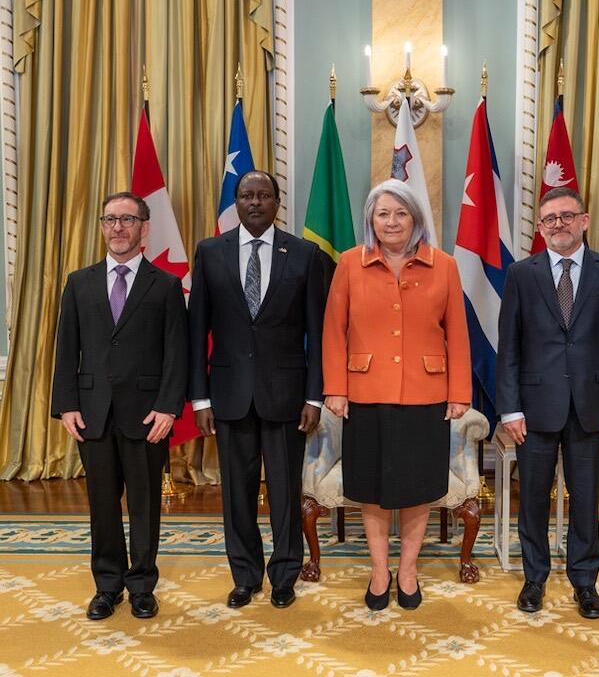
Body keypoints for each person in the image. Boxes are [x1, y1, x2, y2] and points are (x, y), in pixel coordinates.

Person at [322, 179, 471, 611]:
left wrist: (459, 392)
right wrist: (335, 387)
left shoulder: (443, 265)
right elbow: (334, 330)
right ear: (371, 218)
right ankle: (379, 570)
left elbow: (458, 335)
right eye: (383, 213)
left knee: (417, 488)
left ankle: (407, 570)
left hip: (426, 396)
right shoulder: (350, 263)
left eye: (400, 213)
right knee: (370, 488)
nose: (391, 221)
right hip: (365, 394)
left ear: (416, 218)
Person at [188, 170, 325, 610]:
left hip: (287, 396)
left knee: (285, 492)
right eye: (246, 195)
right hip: (227, 394)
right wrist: (200, 398)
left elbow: (317, 333)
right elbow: (196, 331)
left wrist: (314, 396)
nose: (255, 202)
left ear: (277, 202)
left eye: (263, 195)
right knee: (237, 493)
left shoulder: (304, 254)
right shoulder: (210, 252)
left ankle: (285, 574)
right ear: (237, 201)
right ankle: (245, 575)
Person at [496, 187, 599, 619]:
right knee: (533, 497)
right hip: (534, 409)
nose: (558, 224)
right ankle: (534, 578)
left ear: (584, 220)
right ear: (539, 228)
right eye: (549, 219)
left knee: (586, 498)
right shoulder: (522, 273)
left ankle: (584, 581)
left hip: (592, 407)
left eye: (566, 216)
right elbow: (509, 345)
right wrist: (510, 408)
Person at [51, 192, 188, 620]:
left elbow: (176, 352)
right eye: (110, 219)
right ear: (102, 226)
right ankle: (107, 586)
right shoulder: (79, 282)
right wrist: (66, 405)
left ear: (145, 228)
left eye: (128, 220)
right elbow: (66, 348)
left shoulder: (165, 285)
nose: (118, 228)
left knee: (145, 505)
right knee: (102, 505)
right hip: (91, 412)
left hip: (147, 415)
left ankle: (142, 585)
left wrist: (168, 407)